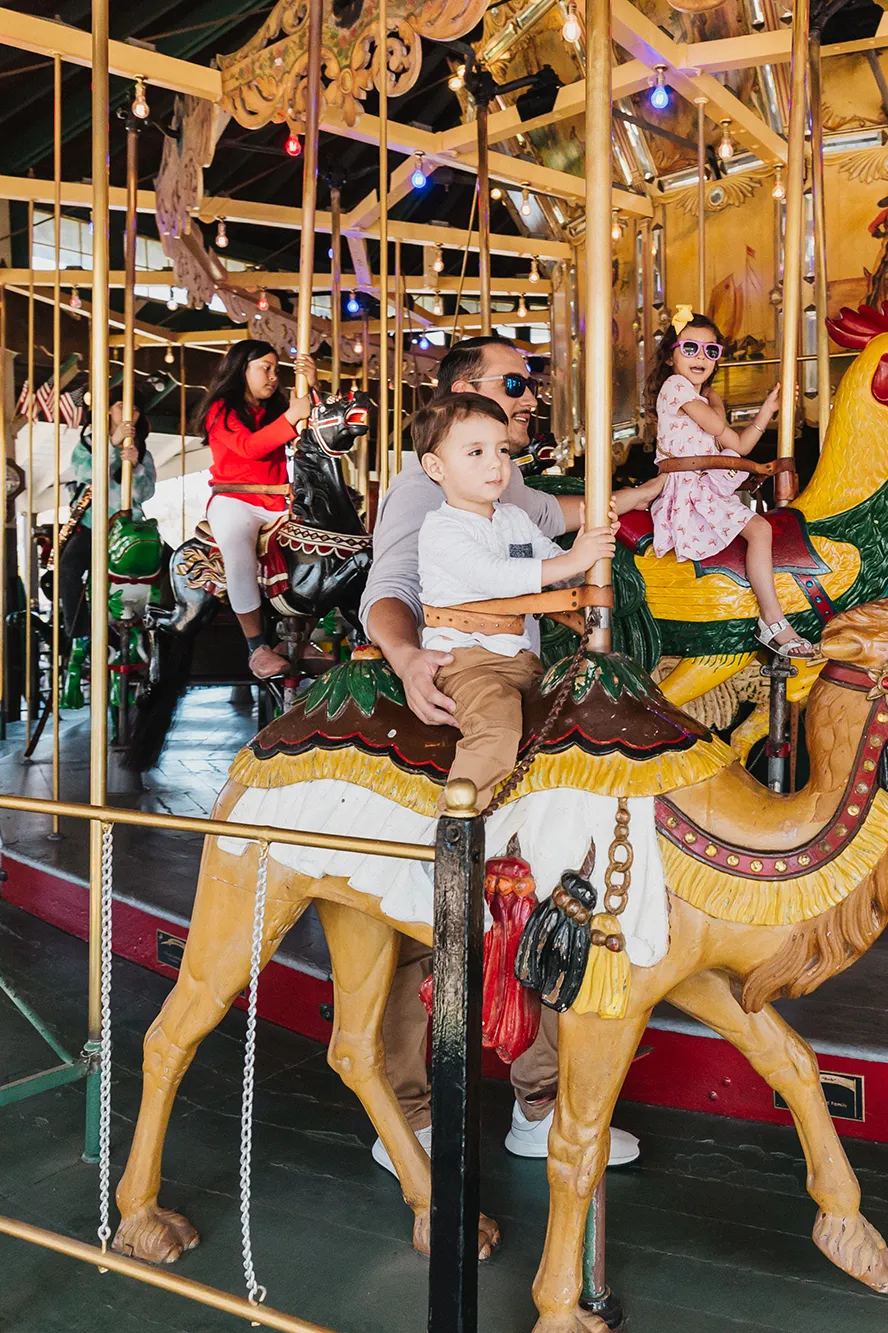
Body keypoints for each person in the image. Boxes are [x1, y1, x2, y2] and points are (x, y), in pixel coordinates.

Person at [360, 334, 659, 1171]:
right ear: (459, 404)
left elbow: (554, 535)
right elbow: (392, 592)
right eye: (513, 386)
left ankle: (541, 1101)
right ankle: (453, 839)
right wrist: (409, 653)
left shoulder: (508, 487)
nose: (530, 399)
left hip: (526, 664)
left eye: (531, 389)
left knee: (535, 896)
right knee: (434, 928)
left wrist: (645, 494)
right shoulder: (431, 500)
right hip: (456, 676)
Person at [414, 393, 615, 808]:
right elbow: (497, 577)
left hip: (520, 659)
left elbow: (556, 566)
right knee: (497, 730)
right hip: (466, 662)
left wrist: (582, 552)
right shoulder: (442, 529)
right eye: (476, 452)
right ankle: (455, 831)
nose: (496, 463)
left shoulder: (513, 519)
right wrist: (574, 560)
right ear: (436, 467)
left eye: (503, 450)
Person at [646, 311, 814, 658]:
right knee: (760, 530)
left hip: (703, 484)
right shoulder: (676, 388)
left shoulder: (698, 399)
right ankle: (772, 620)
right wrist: (716, 402)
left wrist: (767, 409)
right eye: (690, 348)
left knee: (759, 530)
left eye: (711, 351)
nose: (700, 357)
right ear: (669, 356)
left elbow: (739, 446)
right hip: (688, 489)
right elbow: (718, 426)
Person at [198, 341, 315, 678]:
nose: (273, 376)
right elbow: (249, 448)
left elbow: (320, 429)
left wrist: (313, 384)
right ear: (241, 369)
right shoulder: (221, 410)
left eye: (276, 369)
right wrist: (292, 416)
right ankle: (256, 646)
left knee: (319, 549)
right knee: (239, 550)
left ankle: (297, 635)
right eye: (265, 367)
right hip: (235, 499)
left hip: (278, 501)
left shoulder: (276, 409)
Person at [56, 403, 157, 644]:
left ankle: (158, 625)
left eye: (134, 408)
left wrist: (136, 467)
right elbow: (83, 473)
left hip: (129, 526)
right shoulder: (89, 445)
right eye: (121, 405)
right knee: (68, 568)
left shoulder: (142, 452)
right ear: (109, 411)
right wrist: (113, 444)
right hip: (94, 525)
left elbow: (146, 493)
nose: (128, 412)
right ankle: (78, 632)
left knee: (169, 564)